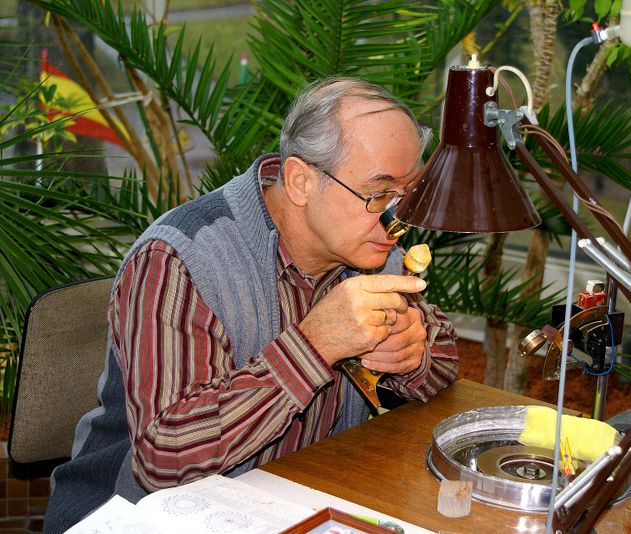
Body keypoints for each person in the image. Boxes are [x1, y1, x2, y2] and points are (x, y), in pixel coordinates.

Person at [44, 77, 458, 533]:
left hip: (296, 499)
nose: (400, 219)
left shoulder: (371, 246)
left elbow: (443, 360)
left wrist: (412, 355)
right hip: (136, 517)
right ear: (301, 181)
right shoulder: (180, 258)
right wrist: (315, 345)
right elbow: (164, 459)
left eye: (410, 193)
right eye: (379, 195)